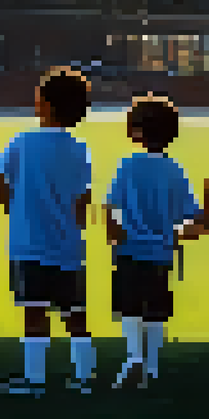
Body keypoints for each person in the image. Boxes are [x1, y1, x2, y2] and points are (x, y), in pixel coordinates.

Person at [0, 66, 95, 396]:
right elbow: (84, 198)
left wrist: (12, 206)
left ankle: (34, 380)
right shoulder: (80, 149)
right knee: (75, 314)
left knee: (34, 313)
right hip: (68, 248)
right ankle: (84, 377)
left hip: (29, 244)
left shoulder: (23, 142)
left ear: (45, 105)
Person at [103, 94, 205, 389]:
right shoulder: (175, 171)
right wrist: (182, 233)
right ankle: (152, 368)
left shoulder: (127, 166)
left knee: (130, 308)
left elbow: (111, 208)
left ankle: (134, 357)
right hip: (161, 252)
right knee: (156, 310)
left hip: (129, 250)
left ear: (136, 131)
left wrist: (113, 234)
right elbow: (193, 216)